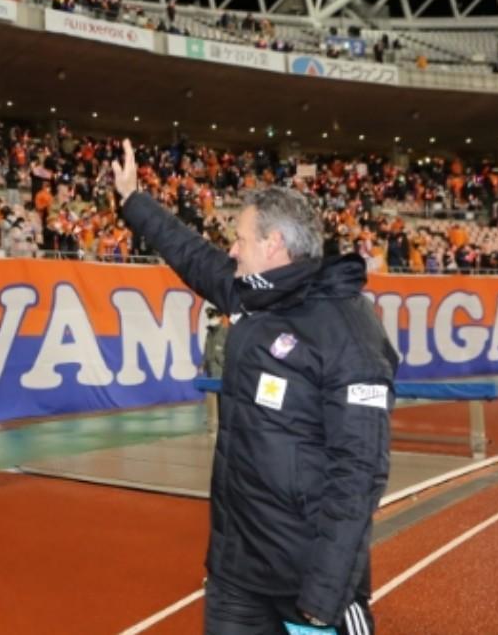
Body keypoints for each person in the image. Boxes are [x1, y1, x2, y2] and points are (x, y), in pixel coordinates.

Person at [112, 139, 397, 634]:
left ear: (273, 246)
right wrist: (134, 200)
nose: (232, 248)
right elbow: (192, 255)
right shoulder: (253, 295)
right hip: (235, 573)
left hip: (308, 579)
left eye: (241, 238)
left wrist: (327, 594)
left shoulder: (348, 332)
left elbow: (360, 473)